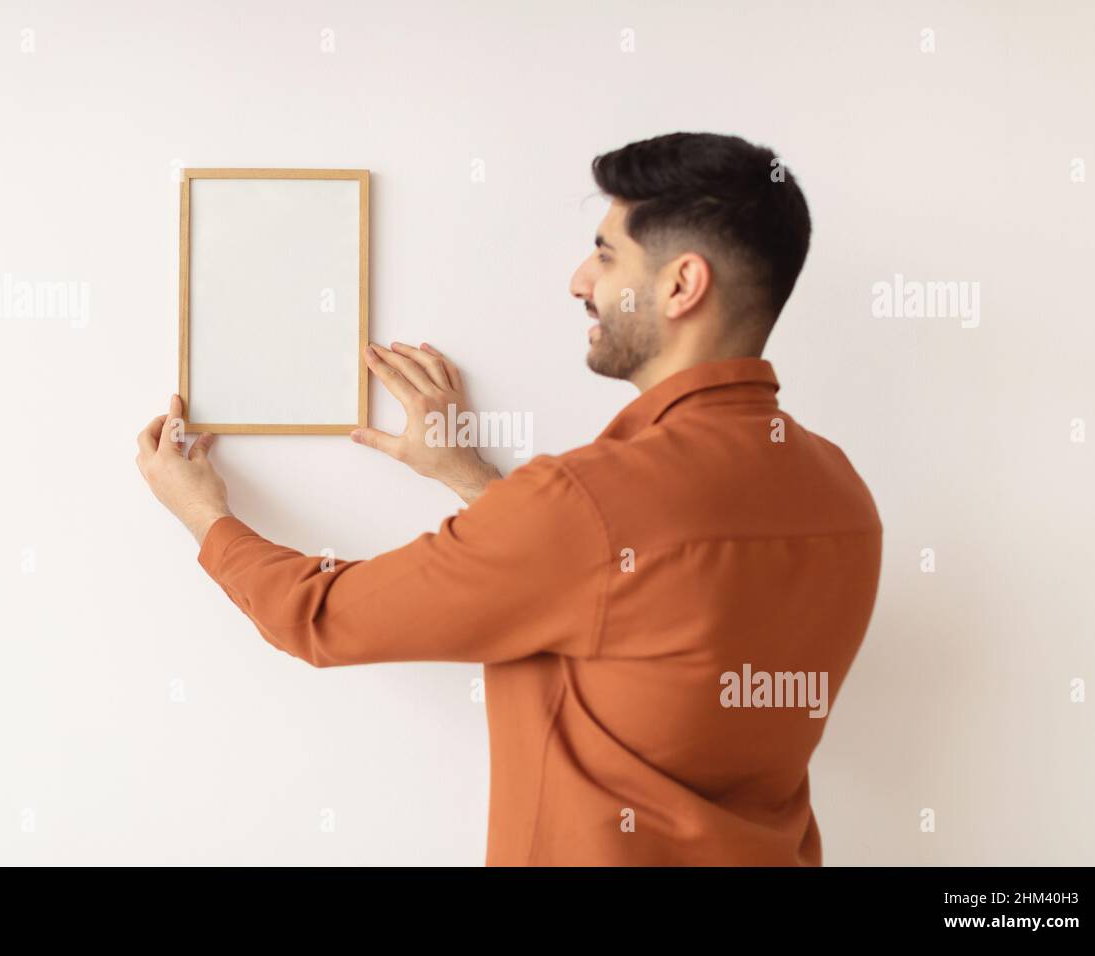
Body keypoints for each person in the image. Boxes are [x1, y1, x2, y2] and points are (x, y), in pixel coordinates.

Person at [135, 132, 882, 866]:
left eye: (605, 252)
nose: (579, 280)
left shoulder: (587, 504)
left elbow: (320, 619)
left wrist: (202, 512)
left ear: (682, 285)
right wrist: (471, 479)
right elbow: (627, 601)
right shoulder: (843, 495)